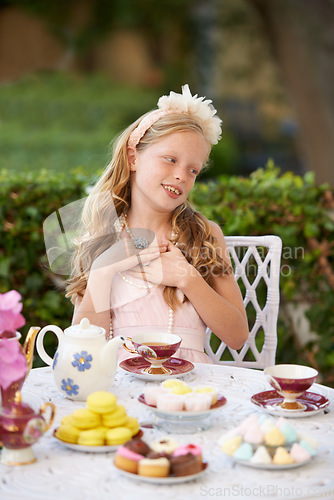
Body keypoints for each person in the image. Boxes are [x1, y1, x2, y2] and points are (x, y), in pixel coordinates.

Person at [66, 84, 249, 363]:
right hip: (118, 382)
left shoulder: (205, 234)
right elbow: (83, 349)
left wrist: (188, 278)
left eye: (193, 170)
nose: (180, 176)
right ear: (133, 156)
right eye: (170, 159)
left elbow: (237, 336)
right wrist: (102, 272)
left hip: (189, 387)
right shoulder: (102, 234)